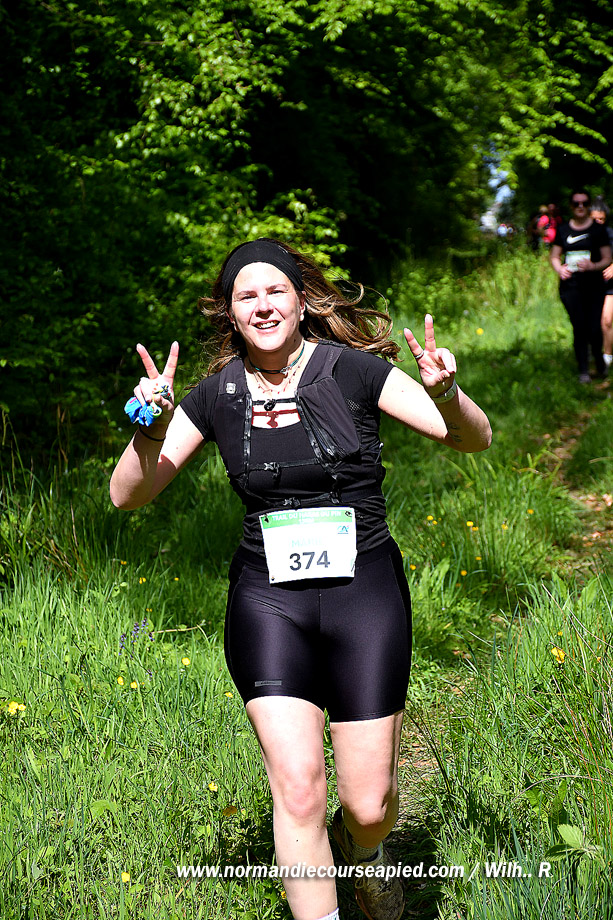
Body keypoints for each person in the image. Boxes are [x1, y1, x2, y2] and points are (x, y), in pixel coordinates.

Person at [110, 238, 492, 920]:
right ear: (229, 313)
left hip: (364, 596)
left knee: (368, 806)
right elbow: (127, 496)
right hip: (267, 604)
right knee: (298, 790)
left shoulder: (352, 372)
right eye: (246, 296)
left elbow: (471, 438)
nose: (262, 306)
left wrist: (447, 394)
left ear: (300, 300)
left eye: (274, 291)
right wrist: (151, 427)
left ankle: (367, 852)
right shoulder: (216, 394)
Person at [550, 190, 612, 383]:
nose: (580, 207)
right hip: (571, 287)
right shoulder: (563, 230)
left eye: (584, 203)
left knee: (594, 327)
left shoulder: (598, 230)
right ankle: (583, 370)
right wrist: (560, 269)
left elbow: (607, 258)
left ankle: (600, 362)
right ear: (571, 206)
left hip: (594, 287)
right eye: (576, 203)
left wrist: (593, 266)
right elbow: (554, 256)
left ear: (588, 205)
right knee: (579, 327)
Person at [590, 198, 613, 368]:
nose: (598, 222)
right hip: (589, 284)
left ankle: (607, 356)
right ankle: (593, 355)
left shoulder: (610, 234)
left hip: (609, 285)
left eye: (601, 219)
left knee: (606, 320)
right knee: (592, 323)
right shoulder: (582, 235)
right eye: (595, 219)